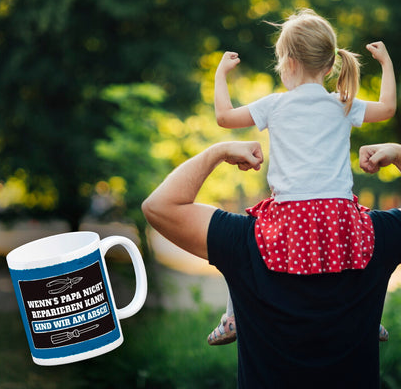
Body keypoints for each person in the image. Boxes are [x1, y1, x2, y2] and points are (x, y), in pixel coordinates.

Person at [142, 141, 401, 389]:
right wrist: (399, 154)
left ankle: (230, 317)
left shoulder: (245, 239)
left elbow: (159, 206)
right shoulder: (374, 235)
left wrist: (217, 153)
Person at [209, 8, 396, 344]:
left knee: (240, 245)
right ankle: (369, 317)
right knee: (364, 249)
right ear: (329, 66)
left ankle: (233, 318)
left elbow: (224, 117)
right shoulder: (343, 103)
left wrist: (220, 73)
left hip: (289, 214)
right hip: (338, 212)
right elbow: (388, 108)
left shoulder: (274, 105)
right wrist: (386, 64)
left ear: (288, 63)